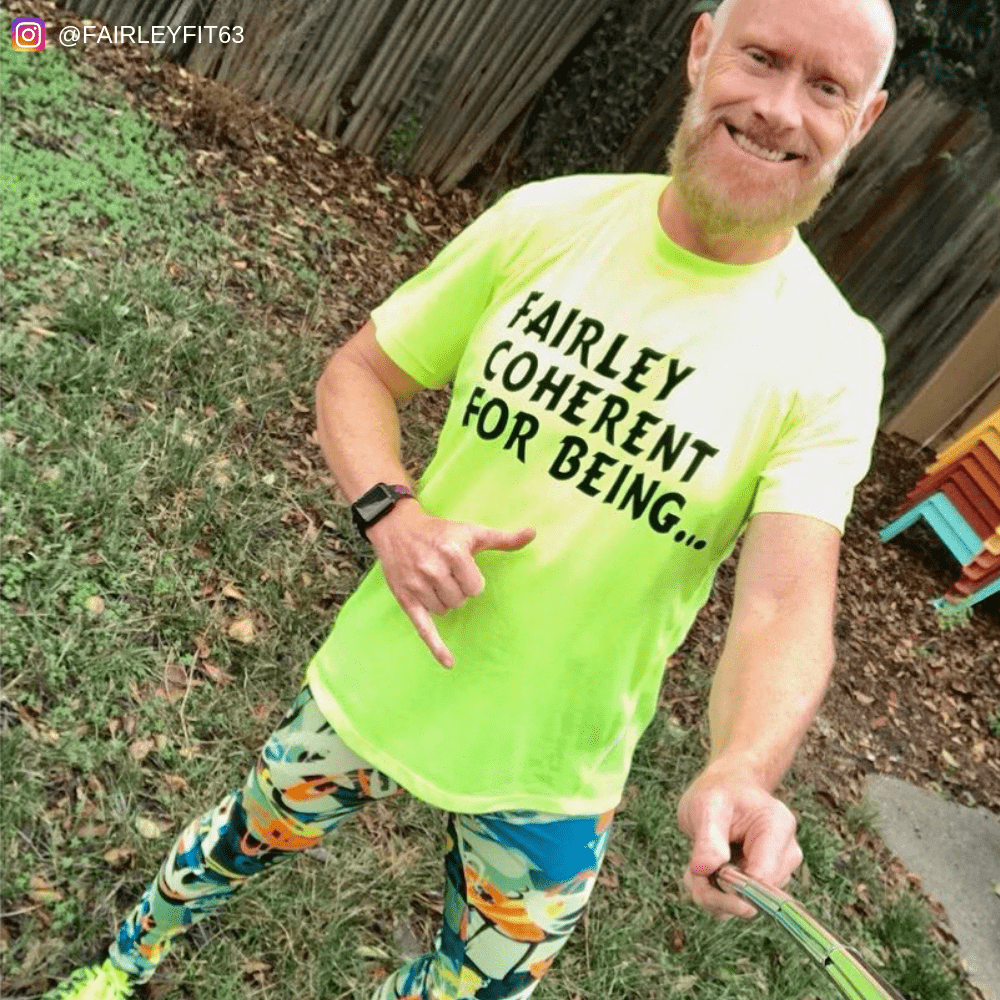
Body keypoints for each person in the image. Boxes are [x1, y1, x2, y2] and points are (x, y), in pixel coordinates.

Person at [46, 0, 897, 996]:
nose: (779, 109)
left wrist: (742, 768)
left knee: (477, 988)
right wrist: (391, 516)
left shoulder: (833, 357)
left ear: (864, 120)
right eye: (760, 57)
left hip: (552, 766)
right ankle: (120, 966)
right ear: (701, 49)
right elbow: (358, 375)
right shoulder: (548, 218)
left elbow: (785, 597)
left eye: (826, 86)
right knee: (243, 835)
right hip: (386, 675)